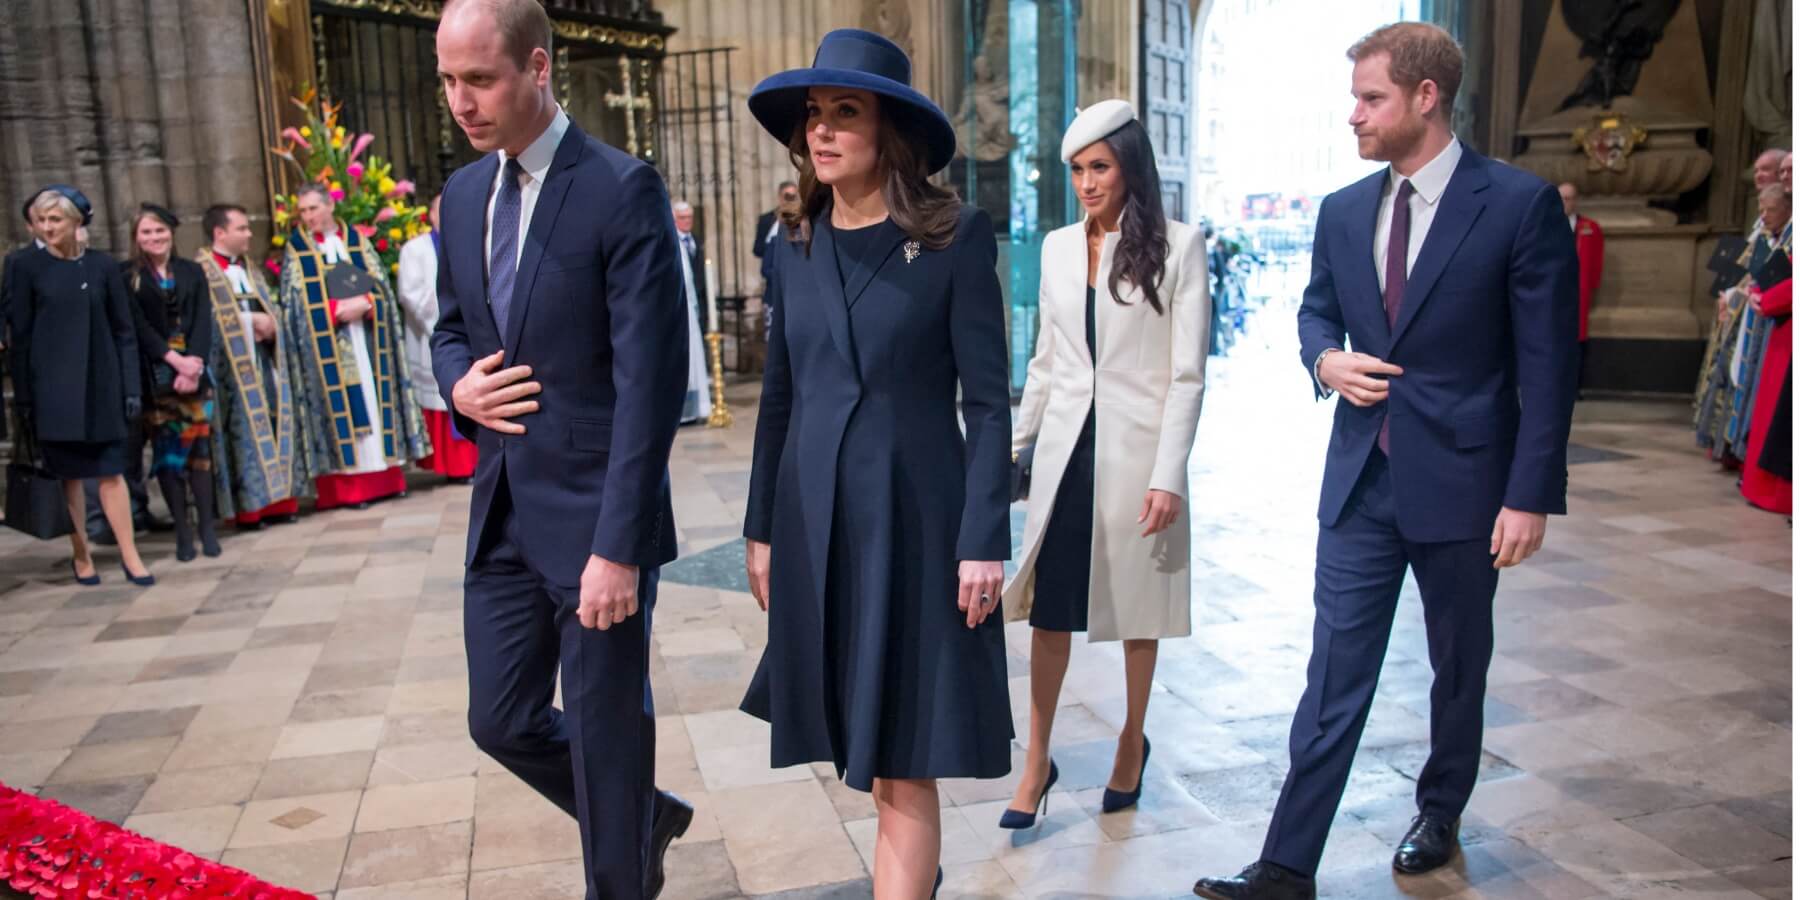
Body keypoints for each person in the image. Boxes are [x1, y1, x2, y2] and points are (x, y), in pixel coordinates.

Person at [1193, 23, 1578, 900]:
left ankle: (1439, 812)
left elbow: (1551, 367)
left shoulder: (1517, 205)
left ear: (1426, 98)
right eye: (1355, 99)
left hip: (1468, 486)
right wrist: (1325, 360)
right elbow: (1315, 315)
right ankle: (1288, 864)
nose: (1354, 118)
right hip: (1362, 480)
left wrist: (1530, 494)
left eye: (1371, 99)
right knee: (1332, 675)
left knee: (1457, 666)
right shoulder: (1340, 210)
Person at [740, 28, 1012, 900]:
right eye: (814, 115)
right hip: (816, 520)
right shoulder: (792, 243)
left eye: (843, 113)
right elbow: (778, 399)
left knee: (904, 753)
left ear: (888, 129)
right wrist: (760, 532)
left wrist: (983, 540)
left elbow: (989, 403)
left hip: (915, 521)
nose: (821, 131)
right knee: (858, 740)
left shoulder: (952, 238)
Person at [431, 2, 693, 897]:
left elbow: (651, 387)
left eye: (479, 79)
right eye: (447, 80)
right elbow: (452, 331)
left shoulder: (620, 187)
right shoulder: (463, 195)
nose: (460, 102)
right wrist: (459, 386)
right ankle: (642, 814)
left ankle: (622, 870)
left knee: (607, 731)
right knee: (498, 719)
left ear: (537, 68)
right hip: (501, 511)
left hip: (593, 522)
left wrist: (618, 547)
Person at [999, 100, 1209, 828]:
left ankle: (1131, 741)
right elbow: (1048, 361)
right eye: (1077, 171)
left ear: (1129, 167)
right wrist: (1015, 448)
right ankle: (1036, 761)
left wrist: (1169, 473)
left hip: (1137, 457)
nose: (1087, 183)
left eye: (1100, 167)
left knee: (1137, 612)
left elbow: (1187, 374)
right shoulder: (1058, 247)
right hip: (1066, 453)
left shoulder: (1181, 247)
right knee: (1049, 612)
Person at [9, 186, 156, 587]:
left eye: (55, 219)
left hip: (102, 383)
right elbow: (19, 335)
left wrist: (130, 387)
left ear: (76, 223)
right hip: (53, 390)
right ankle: (82, 554)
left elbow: (124, 331)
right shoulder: (23, 266)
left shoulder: (103, 267)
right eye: (41, 220)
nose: (47, 227)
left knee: (112, 472)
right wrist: (24, 396)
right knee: (69, 477)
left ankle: (130, 555)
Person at [278, 183, 428, 510]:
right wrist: (335, 311)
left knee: (375, 404)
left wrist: (369, 304)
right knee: (346, 410)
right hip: (329, 348)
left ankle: (387, 479)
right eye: (302, 211)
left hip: (368, 340)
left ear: (330, 206)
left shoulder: (357, 242)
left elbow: (383, 290)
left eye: (313, 208)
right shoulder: (297, 250)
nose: (308, 217)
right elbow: (292, 305)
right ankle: (347, 490)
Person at [196, 204, 305, 529]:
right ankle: (250, 509)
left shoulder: (250, 269)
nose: (248, 234)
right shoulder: (202, 272)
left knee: (274, 423)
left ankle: (280, 501)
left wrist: (271, 323)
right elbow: (205, 322)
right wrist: (248, 322)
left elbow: (271, 306)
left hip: (264, 361)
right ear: (220, 233)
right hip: (232, 374)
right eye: (242, 228)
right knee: (242, 434)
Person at [124, 204, 220, 560]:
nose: (154, 237)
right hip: (159, 376)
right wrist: (174, 360)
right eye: (146, 232)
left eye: (160, 230)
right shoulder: (128, 276)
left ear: (172, 233)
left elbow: (202, 321)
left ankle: (206, 528)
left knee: (199, 453)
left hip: (193, 374)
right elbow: (139, 328)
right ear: (136, 237)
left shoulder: (191, 271)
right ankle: (182, 530)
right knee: (168, 457)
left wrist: (193, 363)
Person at [1698, 185, 1792, 462]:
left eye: (1770, 210)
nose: (1764, 216)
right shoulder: (1762, 235)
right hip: (1752, 313)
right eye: (1761, 210)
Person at [398, 192, 478, 480]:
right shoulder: (415, 248)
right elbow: (410, 293)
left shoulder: (472, 238)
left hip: (476, 335)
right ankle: (455, 467)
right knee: (449, 392)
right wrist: (447, 318)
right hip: (432, 334)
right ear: (430, 216)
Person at [1559, 182, 1603, 385]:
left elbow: (1596, 263)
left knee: (1577, 339)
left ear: (1575, 201)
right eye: (1561, 198)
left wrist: (1589, 287)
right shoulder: (1544, 225)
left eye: (1569, 198)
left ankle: (1575, 384)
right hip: (1551, 292)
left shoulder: (1590, 228)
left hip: (1578, 292)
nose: (1565, 203)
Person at [672, 199, 707, 339]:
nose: (687, 221)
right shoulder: (672, 242)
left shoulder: (696, 241)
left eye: (689, 217)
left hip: (698, 300)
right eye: (682, 218)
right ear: (674, 220)